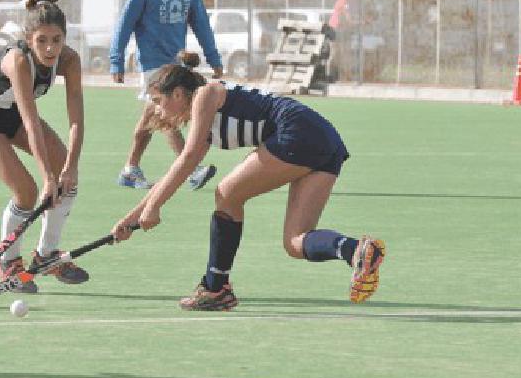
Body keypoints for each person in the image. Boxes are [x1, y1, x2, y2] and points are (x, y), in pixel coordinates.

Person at [111, 51, 386, 311]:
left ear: (179, 93)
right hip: (324, 140)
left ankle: (215, 288)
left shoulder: (205, 95)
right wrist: (132, 218)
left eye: (159, 102)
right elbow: (180, 167)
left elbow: (187, 159)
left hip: (297, 131)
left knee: (227, 193)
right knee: (295, 243)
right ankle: (357, 251)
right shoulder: (203, 121)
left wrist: (153, 208)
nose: (157, 111)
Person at [0, 0, 88, 293]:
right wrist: (48, 178)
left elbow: (76, 120)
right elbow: (31, 123)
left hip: (13, 115)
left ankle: (46, 255)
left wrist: (68, 167)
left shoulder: (70, 61)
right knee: (28, 191)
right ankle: (9, 261)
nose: (50, 48)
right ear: (29, 39)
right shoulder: (17, 61)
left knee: (68, 178)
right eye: (42, 40)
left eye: (56, 39)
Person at [109, 0, 223, 191]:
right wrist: (116, 61)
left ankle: (130, 169)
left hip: (175, 63)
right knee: (168, 116)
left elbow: (201, 23)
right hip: (152, 62)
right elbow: (125, 24)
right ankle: (191, 170)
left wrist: (214, 58)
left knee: (152, 117)